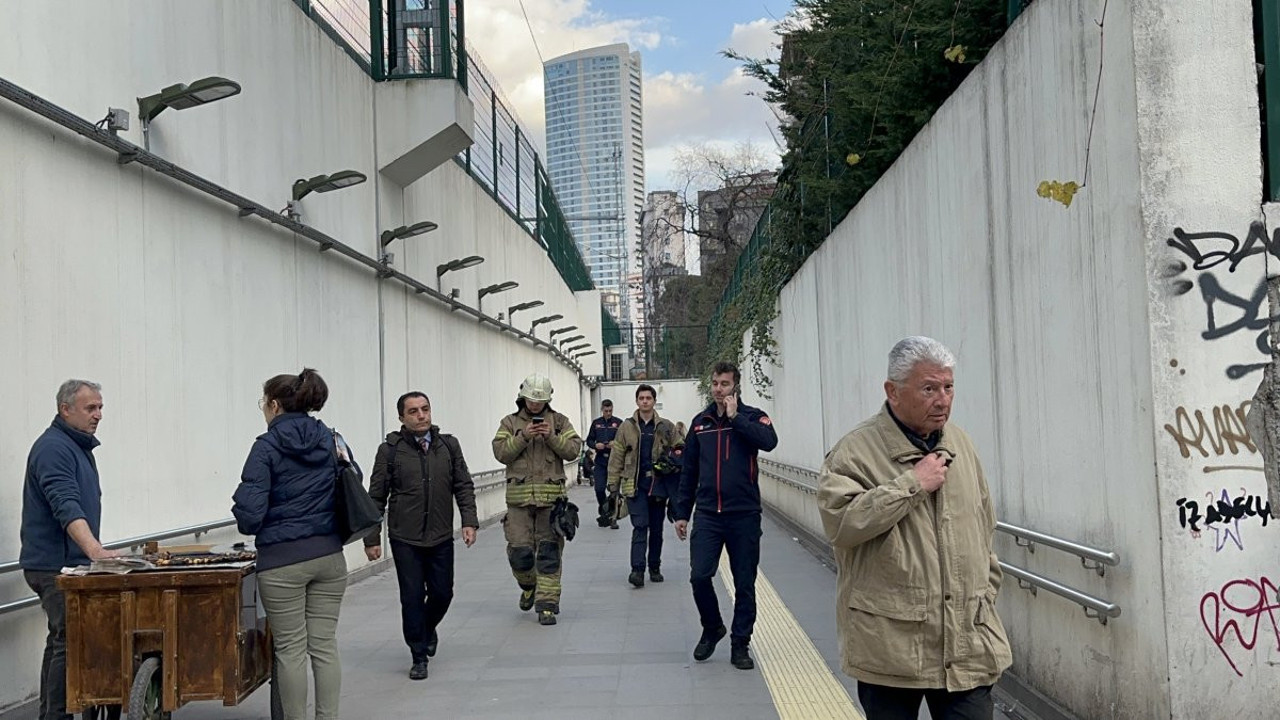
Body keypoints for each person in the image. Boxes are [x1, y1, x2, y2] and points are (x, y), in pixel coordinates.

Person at [816, 337, 1012, 719]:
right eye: (929, 388)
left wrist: (985, 593)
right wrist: (911, 485)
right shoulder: (854, 452)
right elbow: (841, 524)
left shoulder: (961, 444)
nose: (942, 400)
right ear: (893, 391)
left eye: (948, 387)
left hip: (965, 643)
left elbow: (983, 523)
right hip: (890, 648)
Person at [233, 369, 350, 720]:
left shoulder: (265, 447)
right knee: (325, 646)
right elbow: (352, 483)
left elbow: (250, 517)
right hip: (329, 556)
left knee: (290, 650)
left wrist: (242, 500)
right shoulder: (332, 439)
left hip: (282, 562)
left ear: (273, 405)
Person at [21, 380, 120, 720]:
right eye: (90, 408)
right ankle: (56, 715)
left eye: (100, 407)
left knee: (60, 639)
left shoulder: (75, 447)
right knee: (69, 640)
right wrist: (96, 551)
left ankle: (51, 714)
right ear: (66, 410)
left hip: (64, 562)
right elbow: (66, 505)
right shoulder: (54, 448)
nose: (98, 415)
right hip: (55, 566)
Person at [363, 391, 477, 680]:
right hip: (405, 538)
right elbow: (376, 497)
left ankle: (426, 628)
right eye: (413, 411)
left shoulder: (448, 446)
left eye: (425, 409)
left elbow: (463, 485)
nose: (421, 415)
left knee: (442, 592)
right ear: (402, 417)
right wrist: (372, 538)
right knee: (412, 597)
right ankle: (418, 654)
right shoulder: (389, 451)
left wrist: (469, 521)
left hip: (439, 534)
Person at [673, 362, 777, 670]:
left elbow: (769, 442)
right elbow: (689, 470)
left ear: (736, 387)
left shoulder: (752, 417)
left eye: (725, 384)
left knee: (745, 583)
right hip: (708, 514)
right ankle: (713, 626)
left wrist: (736, 419)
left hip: (744, 515)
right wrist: (682, 512)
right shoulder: (700, 423)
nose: (719, 389)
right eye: (715, 383)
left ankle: (740, 643)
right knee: (699, 575)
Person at [491, 373, 583, 626]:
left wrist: (551, 436)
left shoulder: (560, 421)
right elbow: (500, 452)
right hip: (518, 503)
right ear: (523, 397)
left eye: (540, 401)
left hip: (551, 502)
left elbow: (575, 449)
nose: (535, 405)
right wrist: (524, 436)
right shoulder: (509, 422)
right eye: (531, 400)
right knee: (520, 554)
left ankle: (547, 606)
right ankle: (528, 586)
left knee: (549, 554)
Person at [607, 384, 683, 587]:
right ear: (637, 401)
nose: (645, 401)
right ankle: (637, 570)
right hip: (636, 485)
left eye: (648, 398)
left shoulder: (666, 426)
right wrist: (613, 484)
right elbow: (617, 456)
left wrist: (672, 461)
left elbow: (681, 448)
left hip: (658, 486)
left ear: (654, 400)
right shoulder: (626, 427)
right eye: (641, 398)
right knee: (640, 526)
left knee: (656, 529)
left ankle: (655, 566)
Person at [585, 399, 622, 528]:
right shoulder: (596, 424)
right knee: (599, 489)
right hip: (600, 460)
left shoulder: (618, 423)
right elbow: (588, 440)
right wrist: (595, 445)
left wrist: (615, 444)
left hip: (614, 461)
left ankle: (613, 519)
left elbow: (625, 441)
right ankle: (604, 509)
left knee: (614, 491)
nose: (608, 413)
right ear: (602, 410)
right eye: (606, 411)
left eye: (610, 411)